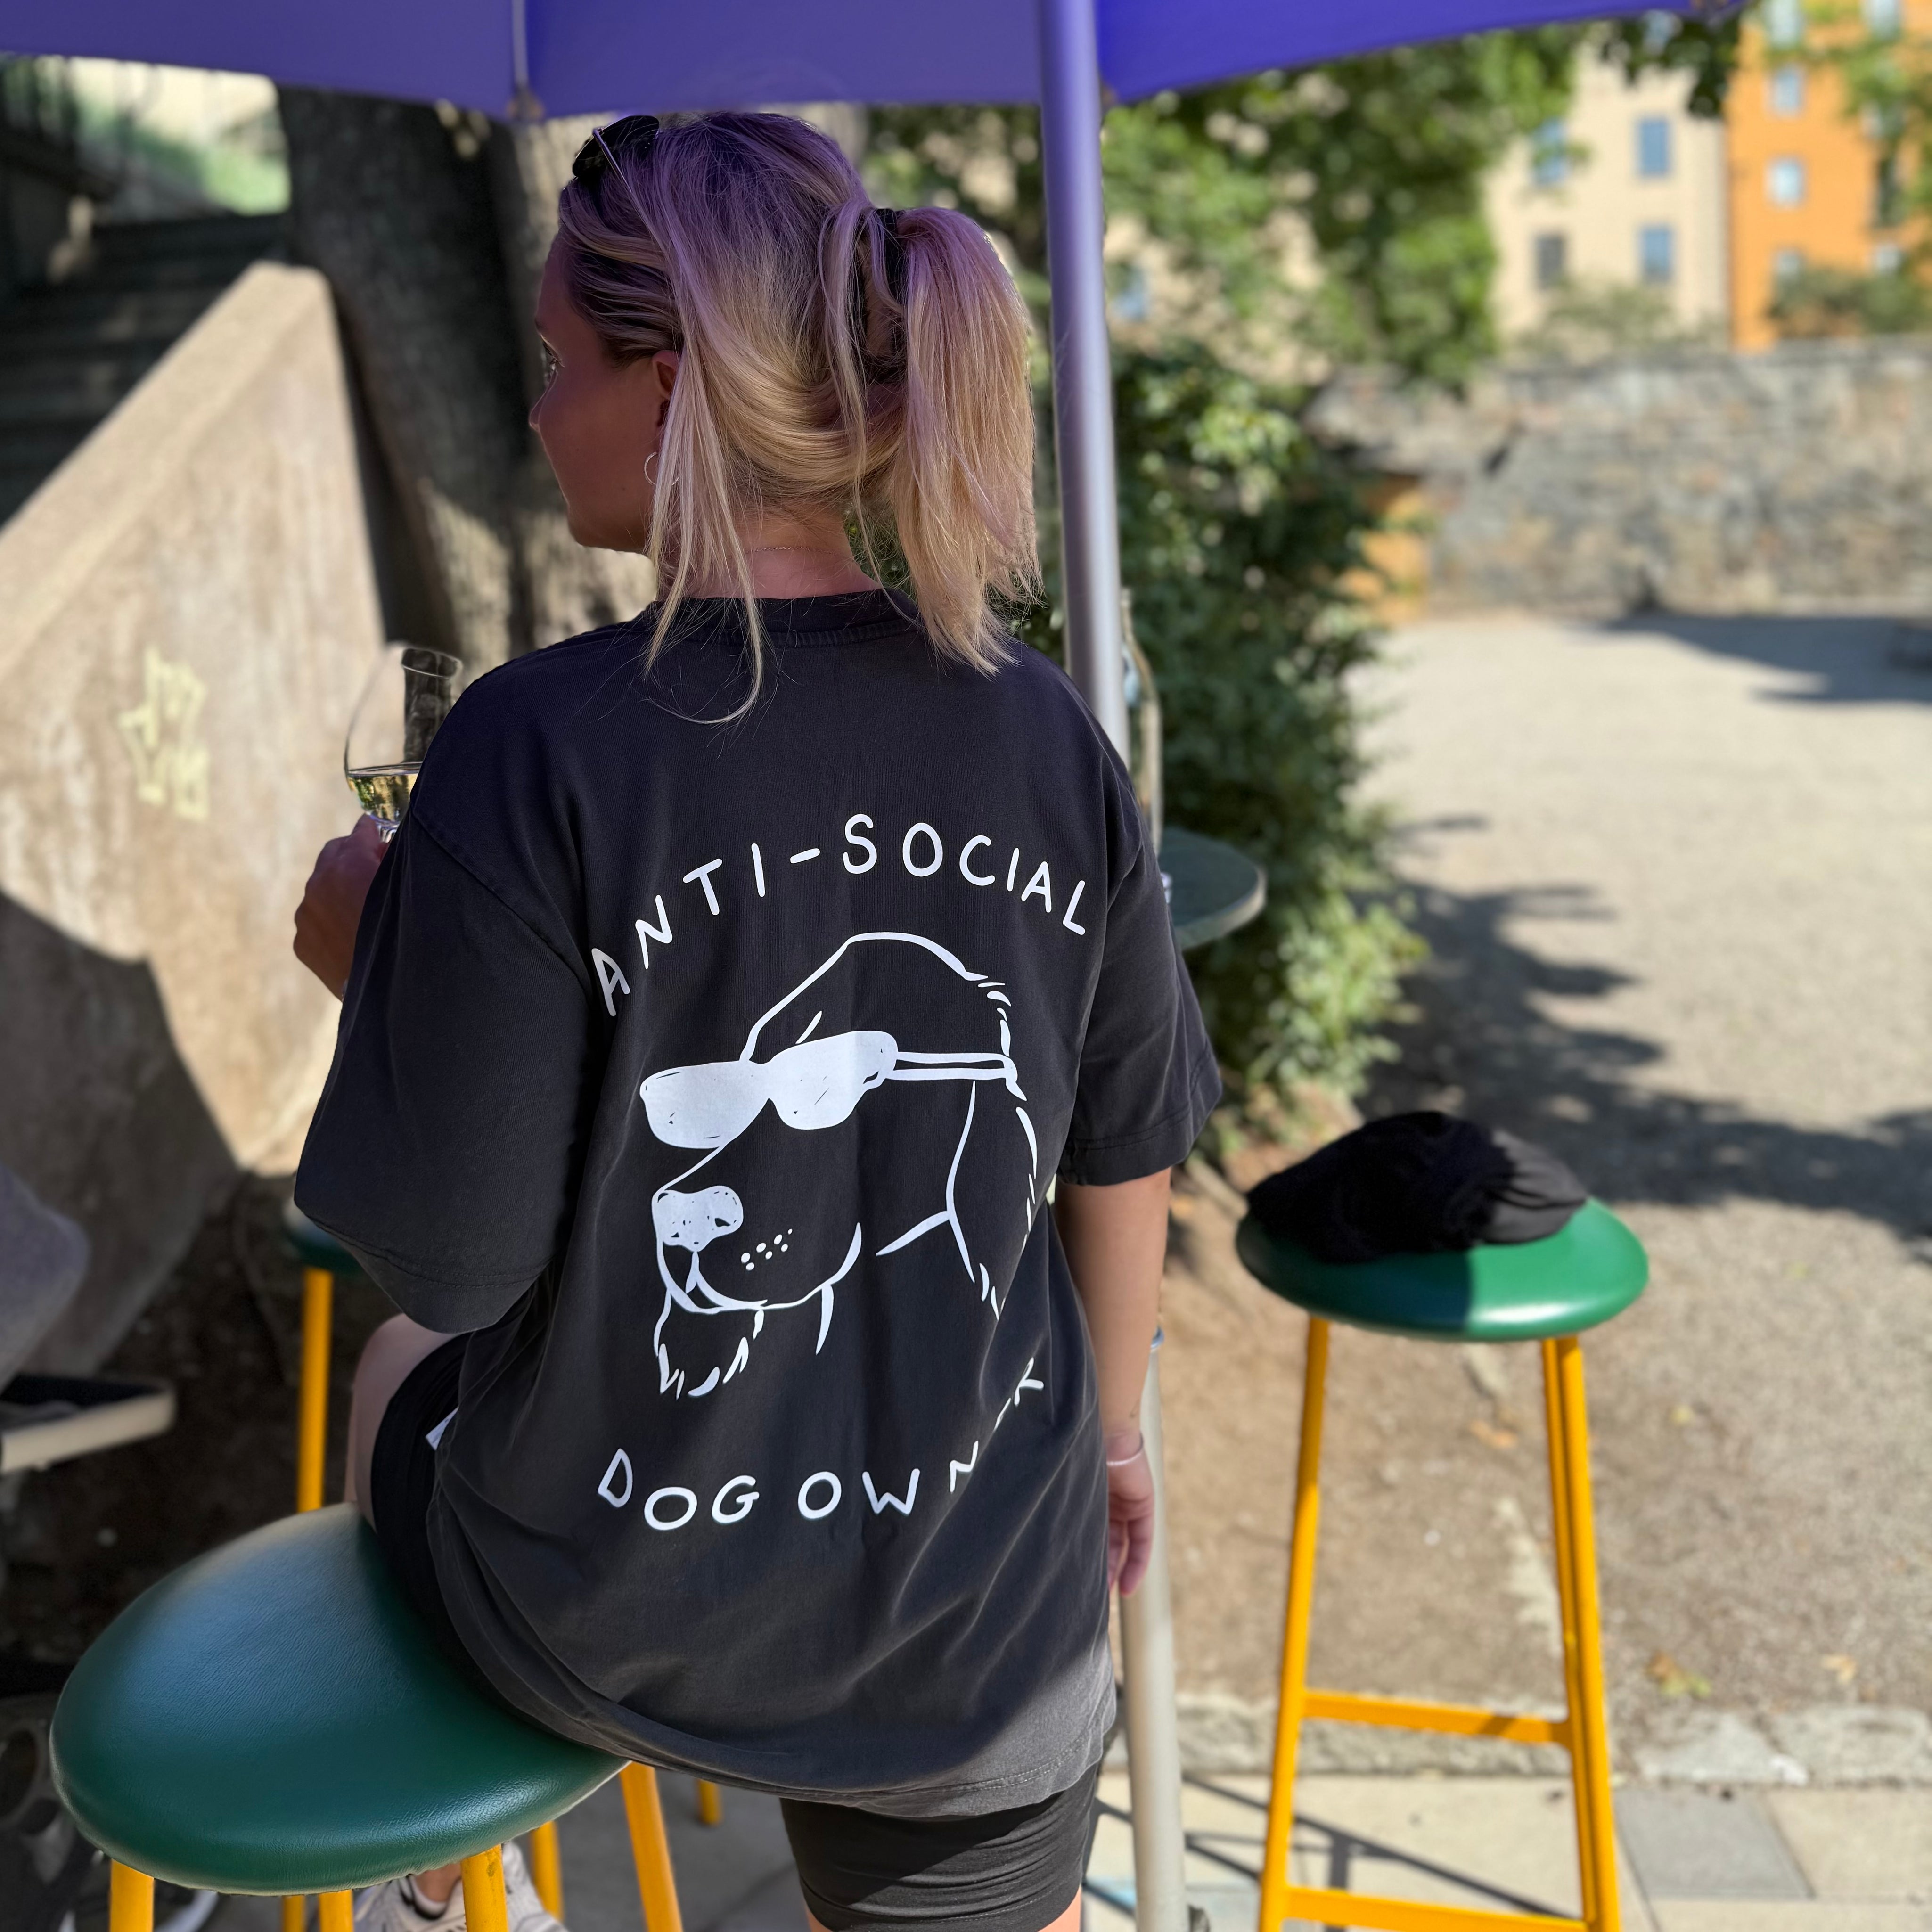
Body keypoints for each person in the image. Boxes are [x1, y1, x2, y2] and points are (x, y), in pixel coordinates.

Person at [293, 109, 1217, 1932]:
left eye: (559, 360)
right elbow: (1126, 1157)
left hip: (612, 1608)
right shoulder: (1043, 730)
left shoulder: (535, 746)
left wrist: (378, 970)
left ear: (671, 387)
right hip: (985, 1642)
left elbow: (452, 1259)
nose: (538, 409)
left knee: (397, 1359)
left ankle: (432, 1862)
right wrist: (1111, 1442)